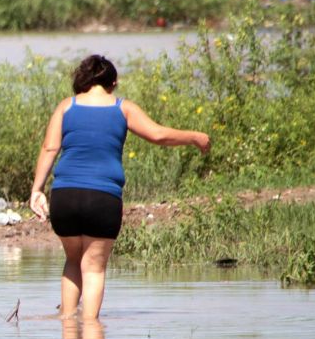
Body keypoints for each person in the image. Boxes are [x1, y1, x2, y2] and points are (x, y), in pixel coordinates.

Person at [29, 54, 210, 320]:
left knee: (72, 260)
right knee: (93, 268)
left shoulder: (66, 107)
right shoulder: (122, 108)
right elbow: (158, 135)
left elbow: (50, 147)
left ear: (83, 81)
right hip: (102, 198)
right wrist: (195, 137)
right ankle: (91, 332)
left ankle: (67, 325)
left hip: (65, 196)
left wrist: (37, 190)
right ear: (112, 82)